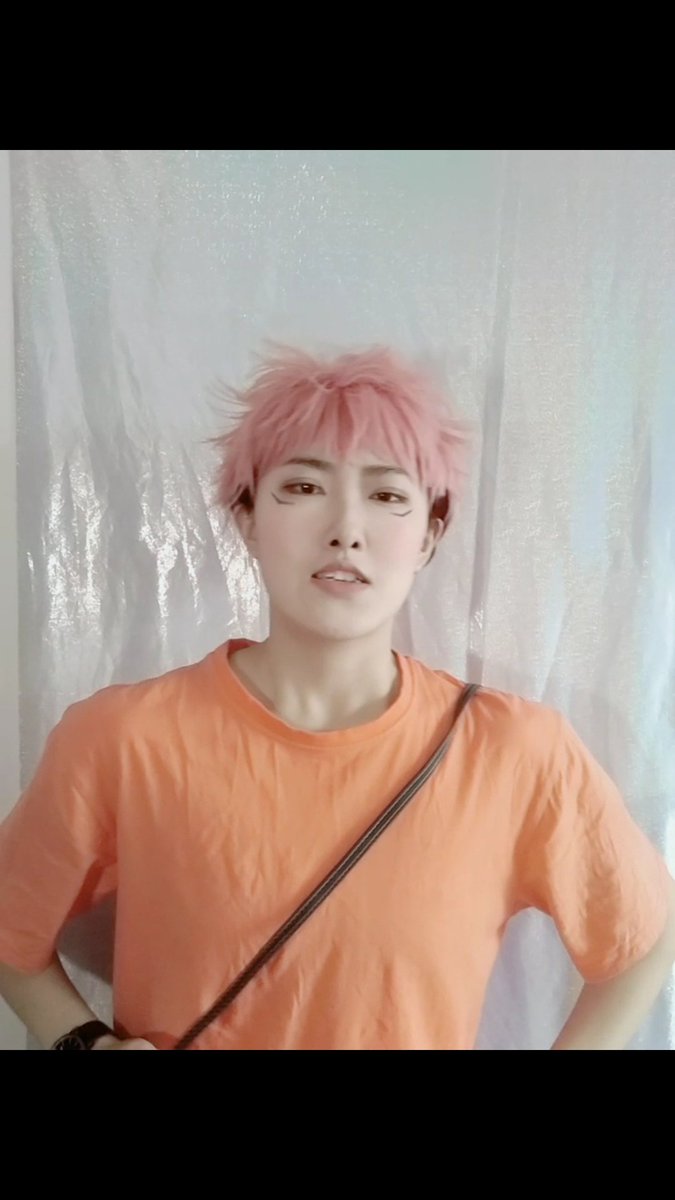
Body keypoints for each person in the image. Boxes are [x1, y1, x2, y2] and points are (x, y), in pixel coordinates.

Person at [0, 345, 673, 1051]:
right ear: (247, 517)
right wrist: (84, 1042)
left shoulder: (514, 752)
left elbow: (644, 939)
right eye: (303, 486)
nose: (345, 531)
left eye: (386, 496)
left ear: (428, 535)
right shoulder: (122, 739)